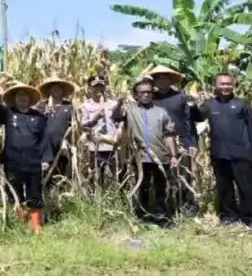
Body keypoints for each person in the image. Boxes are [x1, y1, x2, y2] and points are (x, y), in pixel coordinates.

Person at [191, 73, 252, 231]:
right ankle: (228, 217)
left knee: (247, 188)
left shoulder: (242, 104)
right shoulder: (209, 105)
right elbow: (196, 116)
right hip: (219, 153)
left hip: (242, 152)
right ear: (215, 86)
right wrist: (191, 103)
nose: (225, 87)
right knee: (224, 188)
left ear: (233, 86)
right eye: (222, 84)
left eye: (228, 84)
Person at [112, 76, 179, 227]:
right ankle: (142, 216)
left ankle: (163, 217)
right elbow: (116, 117)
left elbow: (169, 135)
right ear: (136, 95)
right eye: (142, 92)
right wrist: (119, 102)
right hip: (139, 157)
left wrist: (174, 155)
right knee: (143, 187)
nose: (146, 95)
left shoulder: (161, 112)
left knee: (161, 188)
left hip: (161, 156)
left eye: (149, 92)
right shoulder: (130, 110)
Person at [0, 82, 52, 232]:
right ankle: (20, 220)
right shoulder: (8, 113)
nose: (22, 98)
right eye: (19, 95)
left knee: (35, 192)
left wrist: (46, 159)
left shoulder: (38, 117)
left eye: (25, 95)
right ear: (14, 98)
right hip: (13, 161)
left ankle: (35, 224)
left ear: (30, 99)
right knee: (14, 191)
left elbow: (44, 139)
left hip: (33, 161)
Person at [148, 65, 198, 216]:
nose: (162, 81)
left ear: (170, 80)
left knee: (183, 175)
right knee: (160, 176)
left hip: (180, 141)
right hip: (157, 142)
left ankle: (187, 208)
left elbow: (188, 120)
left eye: (165, 78)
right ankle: (162, 209)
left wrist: (191, 142)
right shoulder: (149, 97)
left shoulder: (181, 97)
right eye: (158, 78)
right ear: (154, 82)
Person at [37, 77, 76, 192]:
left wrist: (68, 141)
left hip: (63, 145)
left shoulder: (69, 106)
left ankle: (62, 197)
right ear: (49, 91)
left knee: (62, 171)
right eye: (53, 89)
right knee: (46, 171)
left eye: (58, 89)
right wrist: (44, 113)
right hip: (46, 147)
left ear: (62, 91)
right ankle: (46, 196)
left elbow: (73, 126)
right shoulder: (42, 106)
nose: (56, 91)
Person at [81, 76, 118, 187]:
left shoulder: (113, 104)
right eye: (95, 87)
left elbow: (120, 122)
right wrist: (95, 117)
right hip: (95, 145)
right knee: (96, 175)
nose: (98, 89)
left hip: (112, 145)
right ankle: (96, 198)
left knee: (117, 175)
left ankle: (118, 196)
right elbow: (83, 126)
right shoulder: (86, 106)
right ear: (89, 88)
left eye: (101, 86)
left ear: (105, 87)